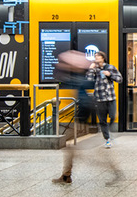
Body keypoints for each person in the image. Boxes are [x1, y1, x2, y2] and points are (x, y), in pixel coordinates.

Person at [52, 50, 123, 185]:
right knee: (70, 148)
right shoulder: (84, 74)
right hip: (84, 114)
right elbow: (87, 82)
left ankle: (115, 172)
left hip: (84, 116)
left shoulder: (82, 77)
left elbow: (117, 79)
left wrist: (108, 75)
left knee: (90, 152)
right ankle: (66, 175)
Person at [87, 51, 122, 148]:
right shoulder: (95, 69)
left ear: (103, 57)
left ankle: (109, 130)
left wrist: (109, 74)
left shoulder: (110, 67)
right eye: (95, 56)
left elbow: (120, 79)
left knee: (112, 116)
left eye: (98, 56)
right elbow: (89, 80)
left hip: (110, 97)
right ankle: (107, 139)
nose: (96, 57)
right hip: (99, 98)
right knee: (102, 120)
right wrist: (90, 69)